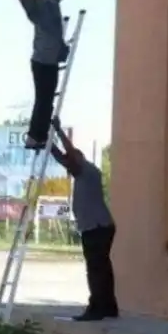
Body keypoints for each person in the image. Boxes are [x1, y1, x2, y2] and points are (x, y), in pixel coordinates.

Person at [0, 0, 69, 150]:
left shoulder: (52, 1)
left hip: (52, 60)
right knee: (42, 100)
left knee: (48, 101)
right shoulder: (32, 7)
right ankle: (33, 137)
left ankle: (40, 136)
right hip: (41, 61)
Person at [50, 117, 119, 322]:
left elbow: (70, 154)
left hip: (97, 227)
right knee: (102, 267)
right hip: (96, 227)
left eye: (70, 163)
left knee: (95, 269)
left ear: (78, 159)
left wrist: (58, 131)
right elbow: (63, 158)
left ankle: (97, 308)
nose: (68, 167)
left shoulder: (88, 171)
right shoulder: (81, 173)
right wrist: (48, 144)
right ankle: (108, 307)